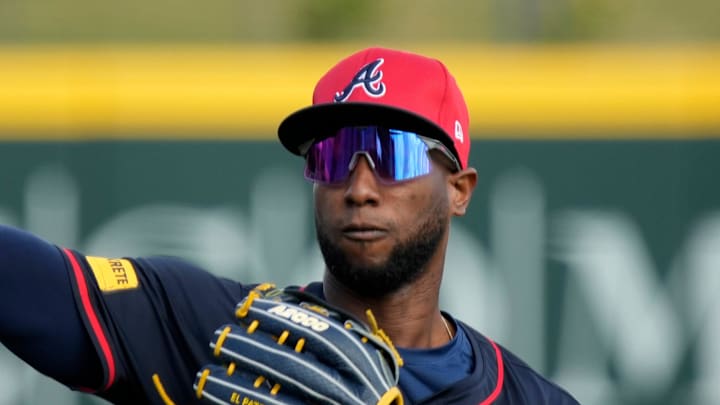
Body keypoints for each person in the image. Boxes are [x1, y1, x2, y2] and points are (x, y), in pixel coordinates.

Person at [0, 47, 579, 404]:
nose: (358, 188)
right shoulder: (221, 334)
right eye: (331, 156)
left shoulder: (533, 399)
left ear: (458, 189)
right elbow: (26, 283)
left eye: (391, 155)